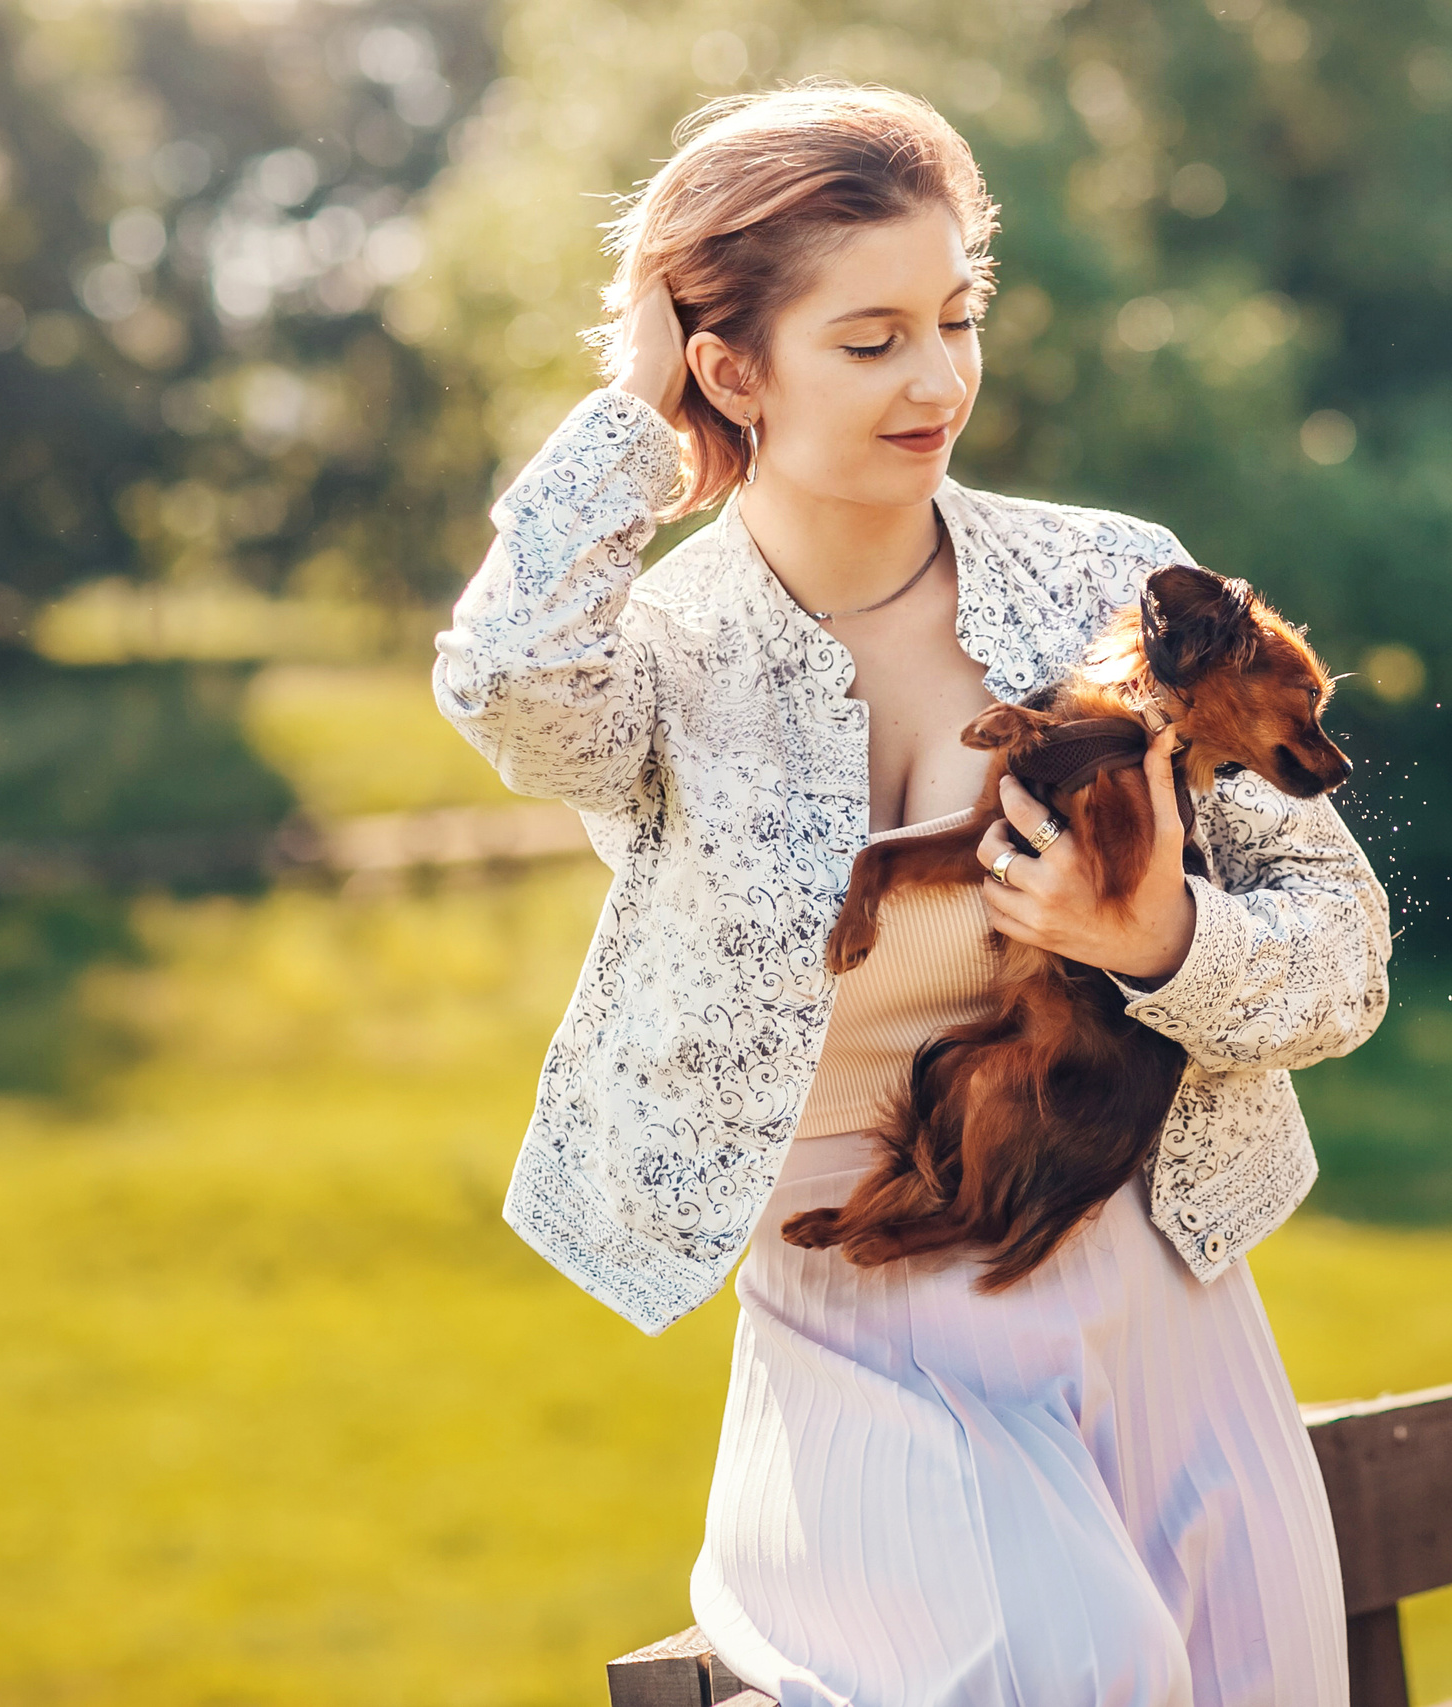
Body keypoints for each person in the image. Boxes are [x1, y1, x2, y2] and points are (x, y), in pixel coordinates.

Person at [431, 83, 1392, 1706]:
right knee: (1065, 1674)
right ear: (732, 366)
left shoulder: (1114, 577)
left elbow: (1343, 955)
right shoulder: (662, 661)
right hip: (866, 1307)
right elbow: (508, 678)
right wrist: (630, 414)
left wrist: (1159, 940)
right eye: (870, 340)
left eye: (957, 319)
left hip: (1160, 1274)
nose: (940, 379)